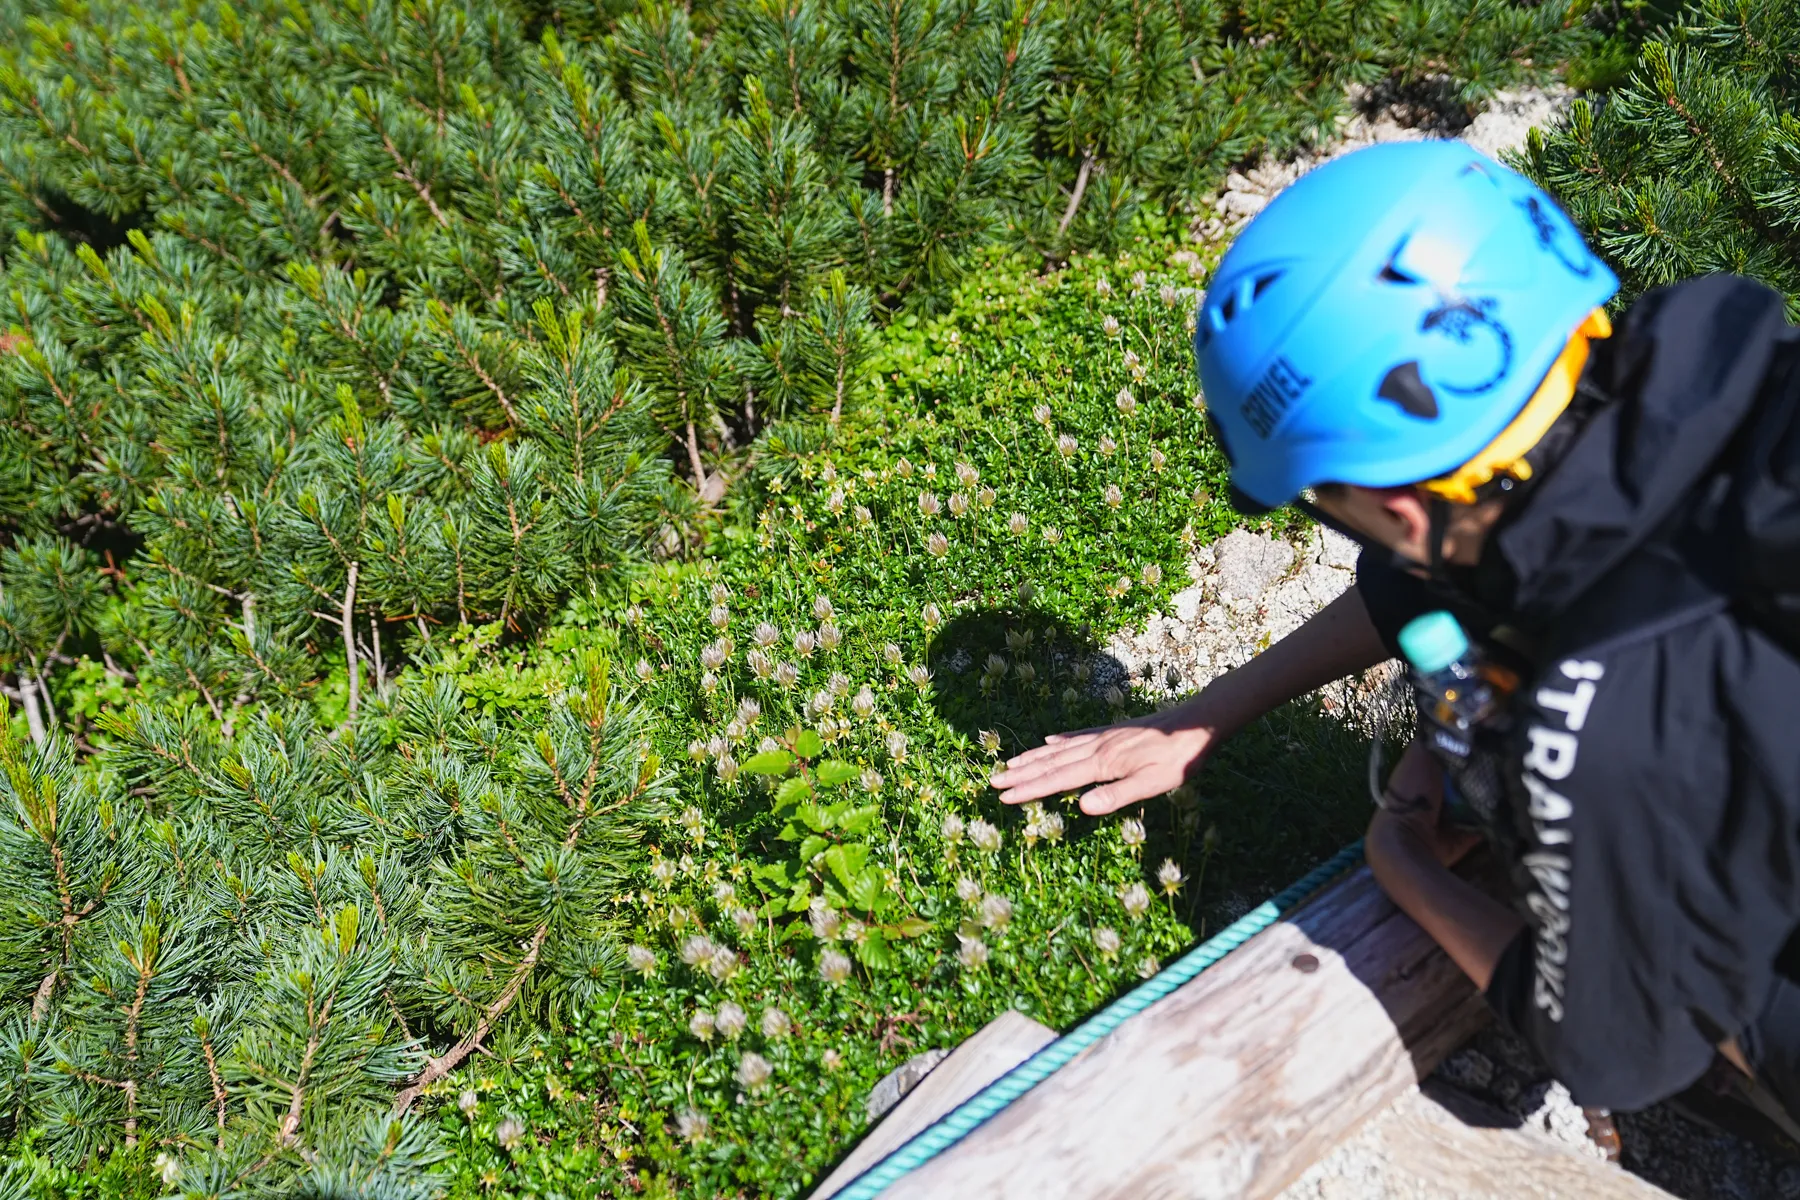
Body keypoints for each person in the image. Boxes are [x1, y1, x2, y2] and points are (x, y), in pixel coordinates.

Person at [991, 140, 1800, 1147]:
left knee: (1735, 1009)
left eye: (1332, 506)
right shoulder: (1717, 377)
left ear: (1397, 509)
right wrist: (1200, 718)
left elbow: (1613, 1048)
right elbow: (1431, 572)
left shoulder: (1587, 739)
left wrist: (1402, 860)